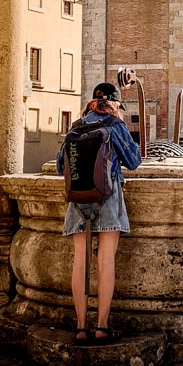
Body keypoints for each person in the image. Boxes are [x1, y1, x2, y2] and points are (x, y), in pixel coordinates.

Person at [56, 81, 141, 345]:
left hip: (78, 199)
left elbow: (61, 166)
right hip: (108, 197)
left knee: (79, 262)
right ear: (114, 104)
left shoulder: (77, 126)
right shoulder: (115, 126)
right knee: (105, 262)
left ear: (92, 102)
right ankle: (102, 326)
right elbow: (134, 161)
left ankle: (81, 326)